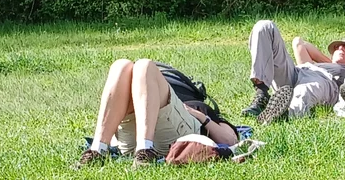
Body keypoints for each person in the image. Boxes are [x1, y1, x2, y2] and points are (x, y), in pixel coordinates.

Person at [78, 58, 244, 166]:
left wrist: (201, 116)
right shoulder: (141, 84)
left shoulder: (198, 106)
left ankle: (145, 149)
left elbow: (230, 140)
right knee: (120, 66)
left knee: (144, 65)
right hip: (131, 141)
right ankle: (97, 150)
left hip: (176, 135)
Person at [244, 20, 345, 126]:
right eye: (337, 47)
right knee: (265, 26)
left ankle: (284, 114)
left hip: (327, 81)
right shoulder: (320, 64)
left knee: (306, 90)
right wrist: (332, 63)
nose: (340, 48)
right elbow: (298, 42)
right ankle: (261, 94)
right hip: (299, 71)